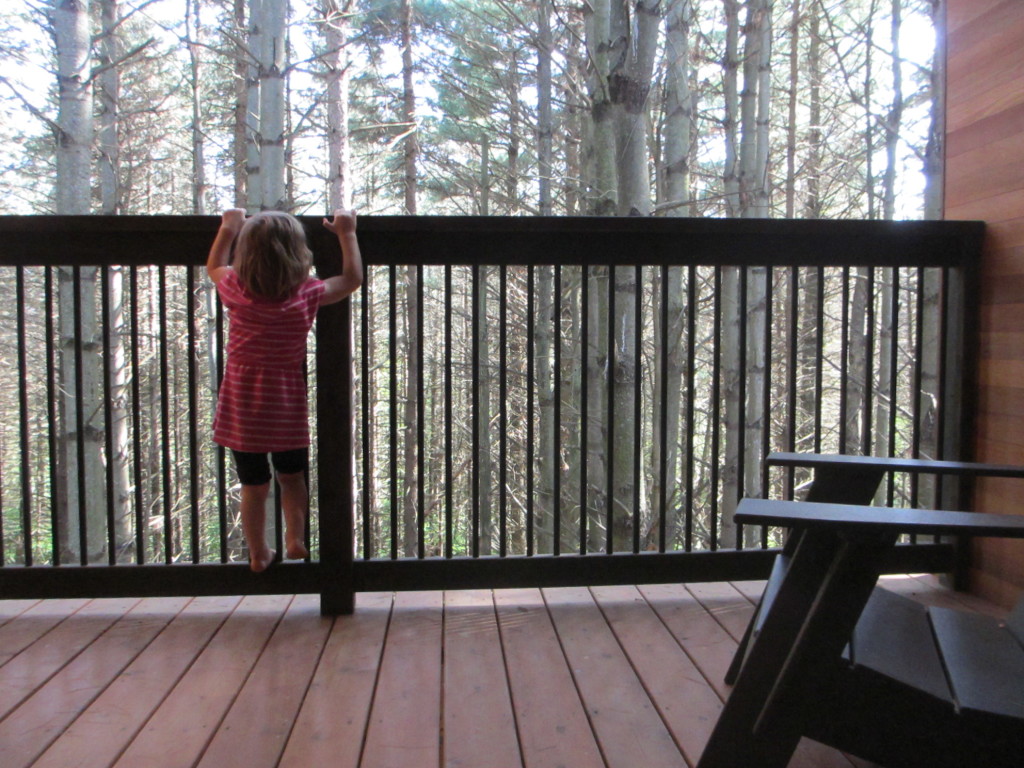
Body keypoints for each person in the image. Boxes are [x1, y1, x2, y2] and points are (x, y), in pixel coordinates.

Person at [206, 207, 363, 572]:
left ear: (245, 253)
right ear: (298, 253)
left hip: (241, 399)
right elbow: (351, 279)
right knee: (291, 476)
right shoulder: (305, 293)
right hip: (285, 398)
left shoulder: (235, 287)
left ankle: (259, 552)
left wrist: (228, 228)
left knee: (253, 484)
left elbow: (214, 267)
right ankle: (295, 538)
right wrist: (347, 233)